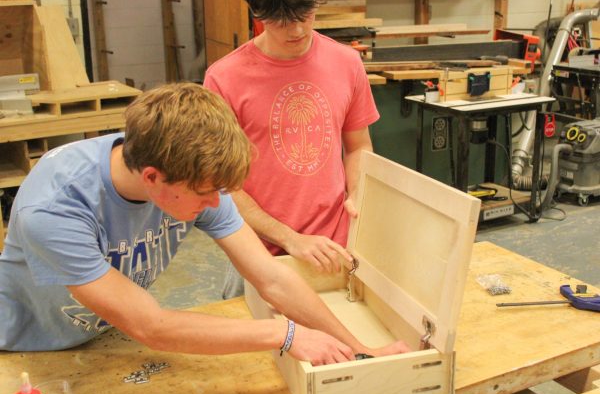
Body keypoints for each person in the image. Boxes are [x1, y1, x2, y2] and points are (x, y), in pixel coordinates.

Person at [0, 83, 409, 363]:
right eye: (206, 194)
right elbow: (152, 326)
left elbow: (271, 277)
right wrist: (283, 334)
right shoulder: (55, 210)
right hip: (29, 350)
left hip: (103, 334)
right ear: (152, 178)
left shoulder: (190, 176)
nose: (217, 204)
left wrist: (358, 348)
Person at [204, 0, 378, 298]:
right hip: (260, 250)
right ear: (258, 16)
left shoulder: (346, 62)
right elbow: (222, 187)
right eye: (281, 21)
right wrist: (290, 239)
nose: (297, 29)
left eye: (305, 15)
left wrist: (359, 191)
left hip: (336, 248)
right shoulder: (224, 78)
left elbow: (359, 146)